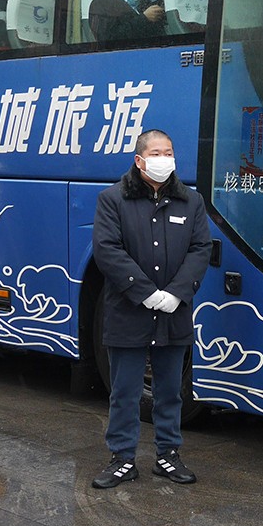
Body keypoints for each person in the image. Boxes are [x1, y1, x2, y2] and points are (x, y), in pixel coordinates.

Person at [90, 128, 211, 489]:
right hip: (127, 311)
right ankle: (122, 458)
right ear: (140, 160)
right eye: (156, 153)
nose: (164, 159)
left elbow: (200, 248)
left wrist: (176, 293)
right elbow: (107, 250)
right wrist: (143, 292)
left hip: (174, 313)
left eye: (168, 152)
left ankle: (168, 455)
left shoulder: (191, 201)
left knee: (170, 390)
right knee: (125, 391)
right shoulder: (113, 199)